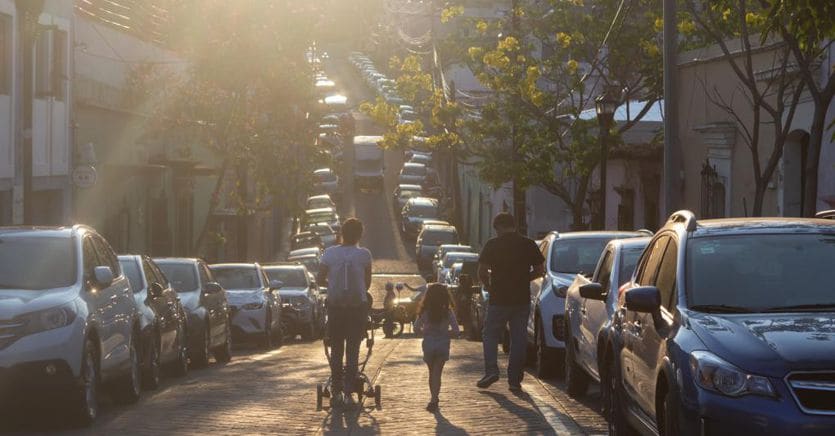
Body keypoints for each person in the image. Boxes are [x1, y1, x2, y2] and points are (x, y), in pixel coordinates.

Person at [476, 212, 545, 391]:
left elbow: (482, 271)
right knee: (518, 338)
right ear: (514, 225)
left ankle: (491, 370)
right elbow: (539, 270)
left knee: (490, 334)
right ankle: (514, 379)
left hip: (499, 298)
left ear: (498, 227)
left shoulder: (492, 245)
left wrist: (489, 286)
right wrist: (523, 279)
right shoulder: (528, 244)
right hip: (521, 298)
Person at [317, 218, 373, 408]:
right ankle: (349, 392)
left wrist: (334, 285)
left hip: (336, 308)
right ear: (359, 235)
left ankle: (336, 391)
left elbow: (319, 278)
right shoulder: (364, 255)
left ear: (341, 233)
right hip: (357, 309)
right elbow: (367, 284)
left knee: (336, 350)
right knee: (353, 351)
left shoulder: (330, 253)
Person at [414, 283, 460, 412]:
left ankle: (433, 398)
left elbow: (416, 328)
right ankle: (434, 398)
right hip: (442, 344)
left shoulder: (424, 312)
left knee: (431, 372)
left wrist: (426, 332)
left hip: (428, 344)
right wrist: (445, 333)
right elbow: (456, 331)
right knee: (437, 373)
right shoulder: (448, 312)